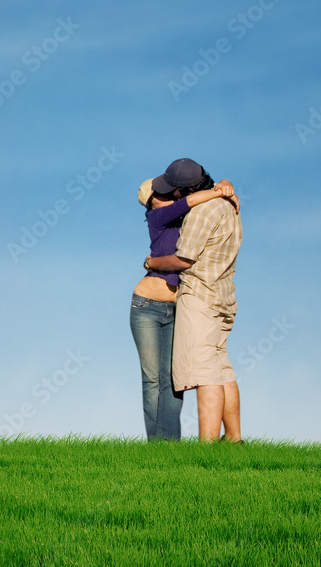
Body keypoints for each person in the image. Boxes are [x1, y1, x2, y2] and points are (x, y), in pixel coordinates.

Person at [130, 167, 236, 441]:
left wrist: (226, 184)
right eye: (163, 193)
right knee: (152, 378)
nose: (171, 196)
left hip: (177, 306)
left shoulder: (190, 217)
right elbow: (189, 200)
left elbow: (205, 203)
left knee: (173, 381)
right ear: (153, 200)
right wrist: (217, 189)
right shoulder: (159, 216)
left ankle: (170, 445)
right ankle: (158, 444)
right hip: (148, 307)